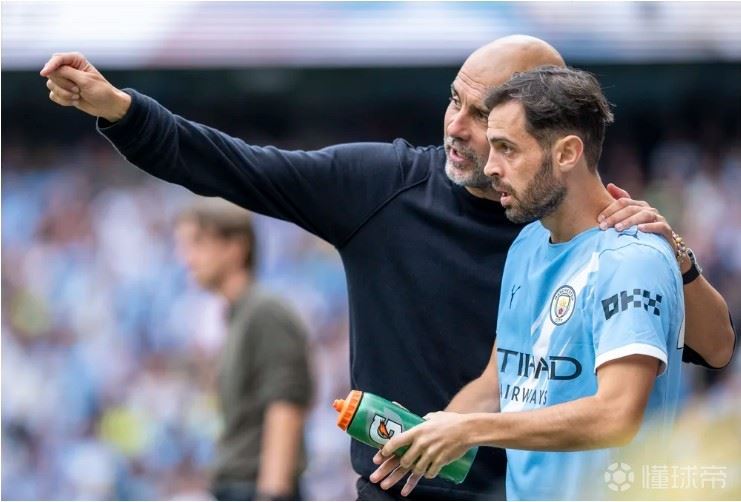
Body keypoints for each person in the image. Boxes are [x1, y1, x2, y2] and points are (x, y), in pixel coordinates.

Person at [40, 35, 735, 500]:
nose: (456, 126)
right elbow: (235, 166)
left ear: (542, 132)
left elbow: (711, 349)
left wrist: (674, 255)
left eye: (483, 117)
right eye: (453, 100)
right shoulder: (393, 191)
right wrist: (121, 111)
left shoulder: (593, 236)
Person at [370, 66, 685, 500]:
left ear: (567, 153)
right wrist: (427, 434)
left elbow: (616, 415)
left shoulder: (631, 259)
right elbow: (498, 384)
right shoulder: (527, 242)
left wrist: (470, 430)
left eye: (507, 149)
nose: (490, 167)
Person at [173, 198, 313, 501]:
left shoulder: (264, 311)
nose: (187, 259)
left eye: (198, 243)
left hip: (255, 488)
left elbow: (285, 405)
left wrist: (272, 495)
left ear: (236, 247)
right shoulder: (239, 315)